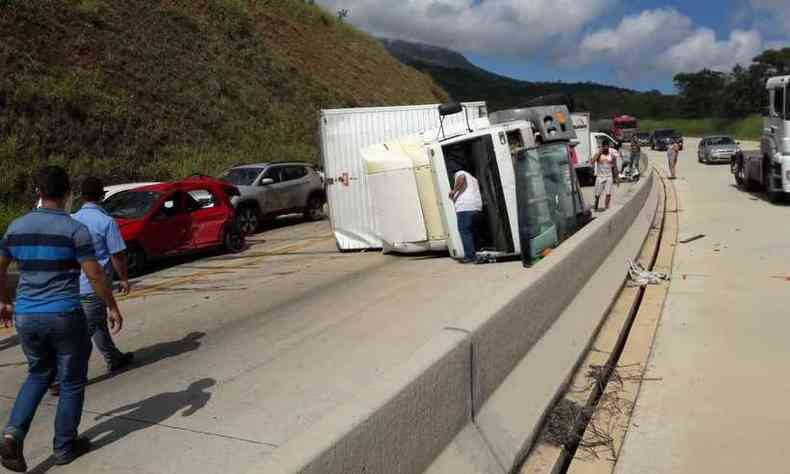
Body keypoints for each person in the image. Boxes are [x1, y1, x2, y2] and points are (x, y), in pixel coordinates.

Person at [0, 166, 124, 471]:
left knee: (39, 373)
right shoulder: (74, 229)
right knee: (70, 382)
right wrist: (112, 305)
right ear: (68, 194)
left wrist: (4, 300)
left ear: (38, 193)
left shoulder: (16, 226)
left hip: (26, 315)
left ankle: (12, 435)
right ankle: (64, 446)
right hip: (64, 314)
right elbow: (94, 273)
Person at [71, 177, 134, 372]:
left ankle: (113, 357)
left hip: (74, 284)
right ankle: (59, 376)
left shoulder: (72, 219)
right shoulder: (106, 221)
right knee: (83, 334)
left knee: (98, 323)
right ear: (102, 195)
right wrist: (123, 278)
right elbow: (117, 255)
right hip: (94, 286)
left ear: (81, 196)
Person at [448, 167, 483, 263]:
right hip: (476, 207)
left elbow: (461, 178)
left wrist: (454, 192)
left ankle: (470, 256)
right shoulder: (473, 179)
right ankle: (477, 252)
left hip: (465, 207)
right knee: (472, 231)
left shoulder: (460, 173)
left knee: (465, 231)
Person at [592, 141, 621, 212]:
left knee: (608, 193)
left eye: (607, 146)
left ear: (608, 147)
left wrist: (617, 178)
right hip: (600, 176)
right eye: (604, 146)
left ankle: (606, 207)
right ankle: (596, 204)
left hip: (609, 176)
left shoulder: (612, 156)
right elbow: (592, 161)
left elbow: (615, 167)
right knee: (597, 194)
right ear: (602, 147)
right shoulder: (599, 155)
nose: (606, 148)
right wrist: (599, 152)